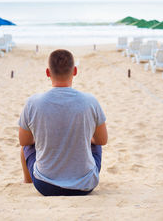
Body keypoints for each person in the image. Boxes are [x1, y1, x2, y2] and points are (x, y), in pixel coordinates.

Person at [18, 49, 108, 196]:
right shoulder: (91, 101)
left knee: (27, 146)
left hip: (45, 185)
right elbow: (102, 140)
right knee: (95, 143)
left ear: (48, 72)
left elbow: (24, 140)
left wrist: (44, 138)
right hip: (84, 186)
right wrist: (85, 138)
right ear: (75, 71)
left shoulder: (32, 103)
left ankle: (28, 181)